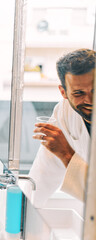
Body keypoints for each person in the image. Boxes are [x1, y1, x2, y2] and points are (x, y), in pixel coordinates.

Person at [28, 48, 95, 207]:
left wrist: (66, 154)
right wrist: (26, 212)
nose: (90, 100)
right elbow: (43, 172)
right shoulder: (65, 111)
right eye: (79, 93)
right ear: (63, 92)